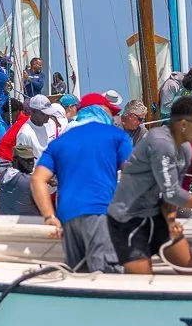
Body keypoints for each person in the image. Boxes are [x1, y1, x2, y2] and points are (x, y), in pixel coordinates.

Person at [105, 97, 192, 274]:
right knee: (139, 282)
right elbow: (172, 192)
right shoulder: (160, 142)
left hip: (157, 216)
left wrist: (170, 219)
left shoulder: (185, 149)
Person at [32, 97, 133, 273]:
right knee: (107, 276)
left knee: (79, 276)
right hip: (99, 213)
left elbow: (37, 179)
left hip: (67, 218)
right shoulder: (117, 136)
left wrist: (49, 216)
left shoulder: (58, 143)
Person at [0, 144, 39, 216]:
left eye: (32, 160)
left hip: (3, 221)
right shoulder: (28, 181)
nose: (31, 163)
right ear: (15, 160)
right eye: (26, 160)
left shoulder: (3, 175)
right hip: (25, 224)